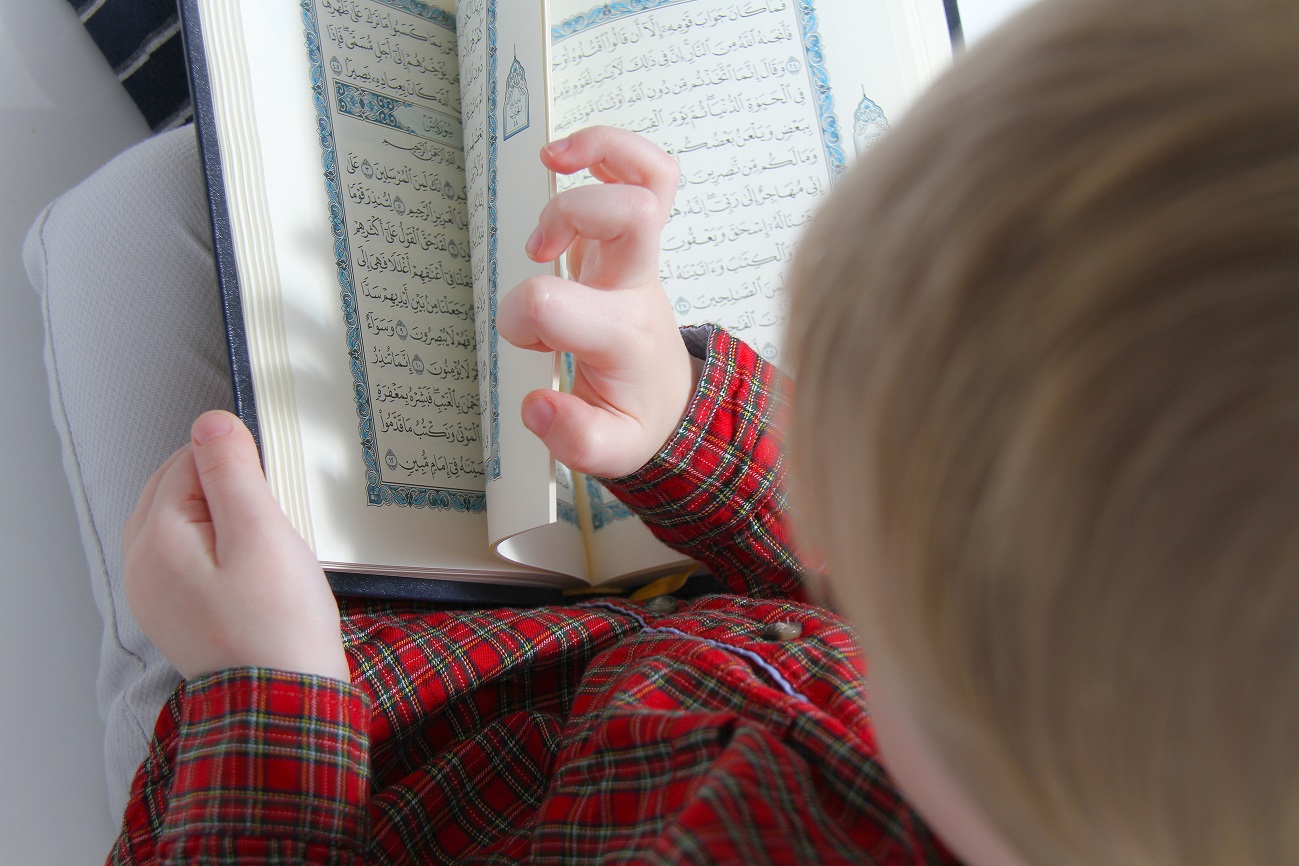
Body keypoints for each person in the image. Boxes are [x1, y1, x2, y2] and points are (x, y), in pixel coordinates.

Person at [25, 0, 1299, 862]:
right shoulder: (1100, 713)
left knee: (122, 232)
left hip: (334, 763)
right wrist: (687, 417)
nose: (838, 464)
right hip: (597, 643)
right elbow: (861, 571)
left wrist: (264, 695)